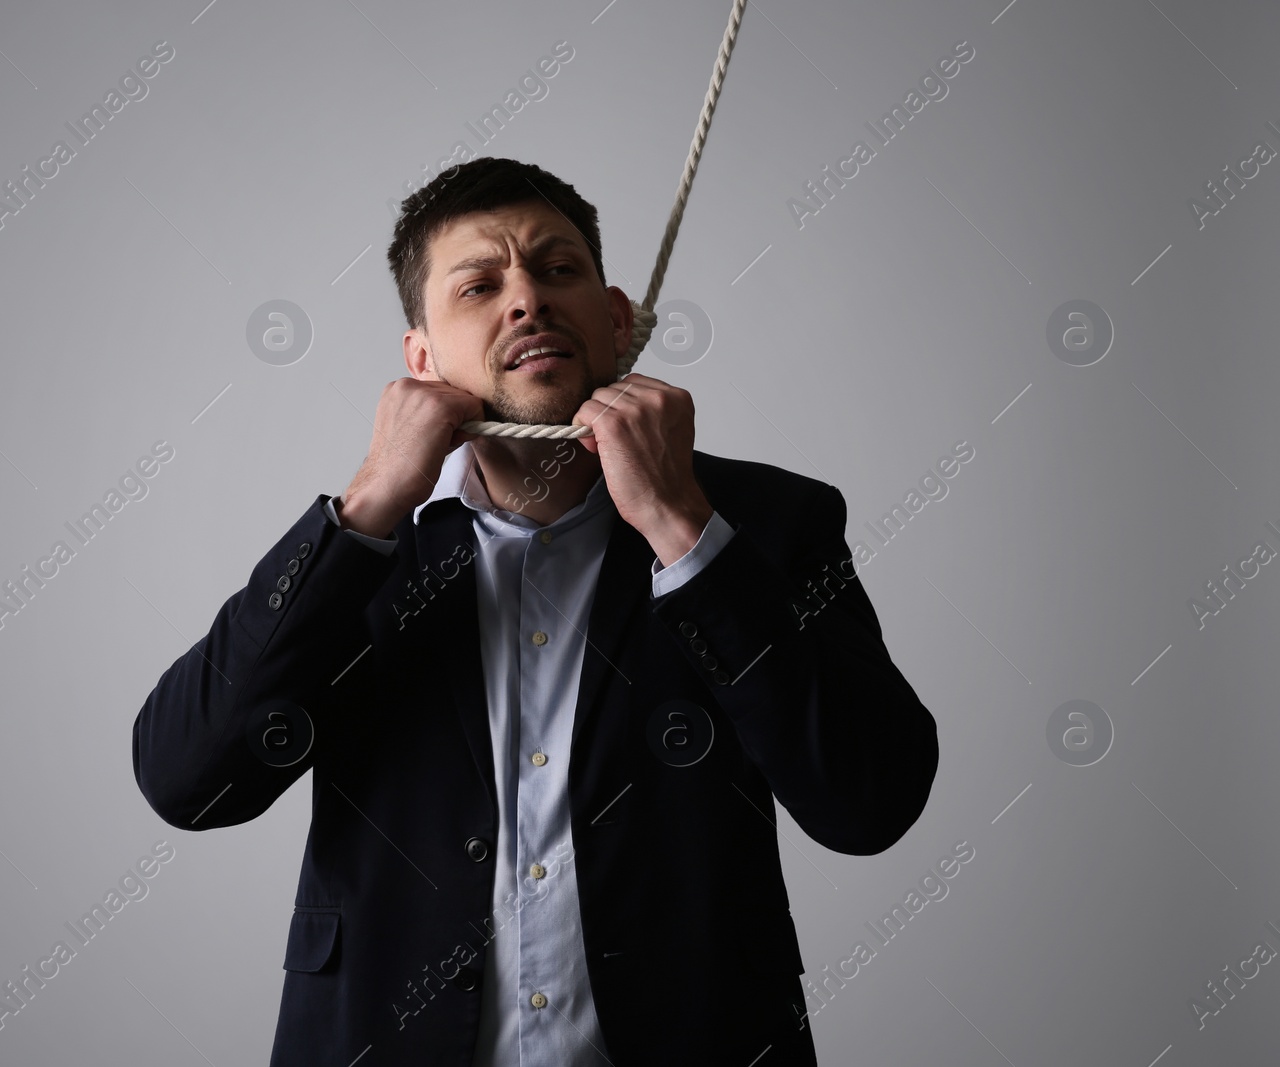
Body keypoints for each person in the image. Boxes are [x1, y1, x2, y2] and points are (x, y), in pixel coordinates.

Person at [132, 156, 939, 1065]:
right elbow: (185, 783)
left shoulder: (771, 527)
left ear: (619, 320)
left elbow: (871, 802)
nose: (527, 301)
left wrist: (683, 529)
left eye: (559, 271)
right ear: (422, 359)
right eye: (480, 284)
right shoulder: (360, 559)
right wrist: (363, 509)